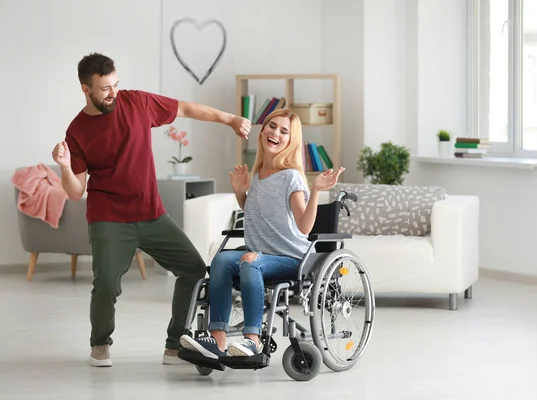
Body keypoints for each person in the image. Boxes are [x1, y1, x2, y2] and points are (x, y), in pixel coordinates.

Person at [51, 52, 251, 367]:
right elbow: (75, 192)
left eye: (116, 84)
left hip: (151, 212)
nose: (113, 93)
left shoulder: (138, 103)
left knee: (194, 270)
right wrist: (63, 167)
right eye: (104, 88)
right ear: (85, 90)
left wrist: (229, 119)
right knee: (106, 283)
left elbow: (184, 108)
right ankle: (100, 344)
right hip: (109, 217)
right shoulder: (77, 130)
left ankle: (175, 346)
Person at [179, 108, 344, 359]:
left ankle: (253, 340)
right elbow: (256, 213)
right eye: (271, 125)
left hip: (290, 257)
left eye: (284, 131)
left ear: (291, 141)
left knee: (249, 262)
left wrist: (316, 191)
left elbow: (304, 227)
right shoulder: (257, 175)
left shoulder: (291, 177)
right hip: (260, 254)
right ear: (262, 131)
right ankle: (218, 339)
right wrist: (240, 193)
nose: (275, 132)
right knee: (221, 260)